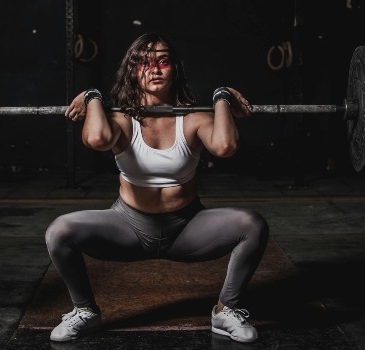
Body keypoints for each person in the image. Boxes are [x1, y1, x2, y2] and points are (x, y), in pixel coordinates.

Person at [45, 32, 270, 343]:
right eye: (143, 63)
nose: (154, 69)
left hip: (187, 228)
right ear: (132, 71)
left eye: (163, 61)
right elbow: (96, 139)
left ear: (174, 68)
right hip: (127, 228)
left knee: (252, 224)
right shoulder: (123, 120)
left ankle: (226, 310)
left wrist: (222, 97)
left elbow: (226, 146)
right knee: (59, 231)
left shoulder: (192, 119)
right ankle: (85, 310)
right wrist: (92, 96)